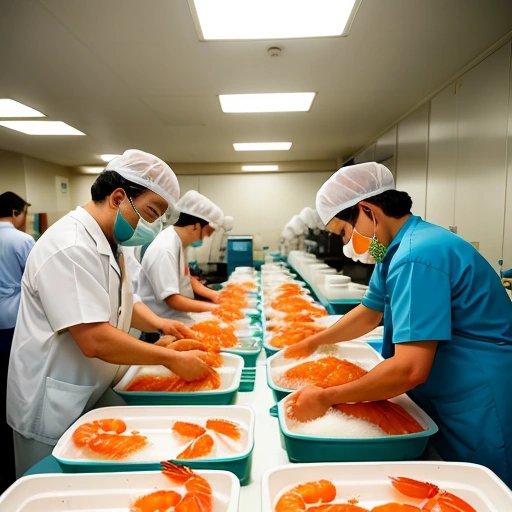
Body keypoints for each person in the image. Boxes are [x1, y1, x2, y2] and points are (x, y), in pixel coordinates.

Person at [285, 162, 512, 486]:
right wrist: (315, 340)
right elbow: (369, 311)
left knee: (484, 487)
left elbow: (409, 369)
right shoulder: (398, 248)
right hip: (447, 386)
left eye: (344, 233)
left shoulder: (415, 256)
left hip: (477, 393)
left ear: (367, 210)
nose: (348, 244)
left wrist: (327, 397)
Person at [6, 150, 214, 477]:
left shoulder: (112, 242)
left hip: (94, 388)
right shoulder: (70, 245)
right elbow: (94, 339)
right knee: (54, 491)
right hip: (52, 404)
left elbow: (123, 304)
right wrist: (169, 358)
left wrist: (161, 324)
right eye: (150, 212)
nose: (153, 226)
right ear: (119, 198)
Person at [137, 190, 223, 325]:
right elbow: (173, 299)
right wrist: (216, 308)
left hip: (177, 317)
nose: (208, 236)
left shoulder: (178, 242)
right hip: (161, 325)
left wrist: (214, 295)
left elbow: (185, 277)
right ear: (196, 225)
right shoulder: (165, 249)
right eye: (208, 231)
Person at [0, 191, 35, 491]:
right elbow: (37, 280)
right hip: (13, 319)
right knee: (14, 374)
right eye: (25, 212)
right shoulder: (21, 241)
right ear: (15, 212)